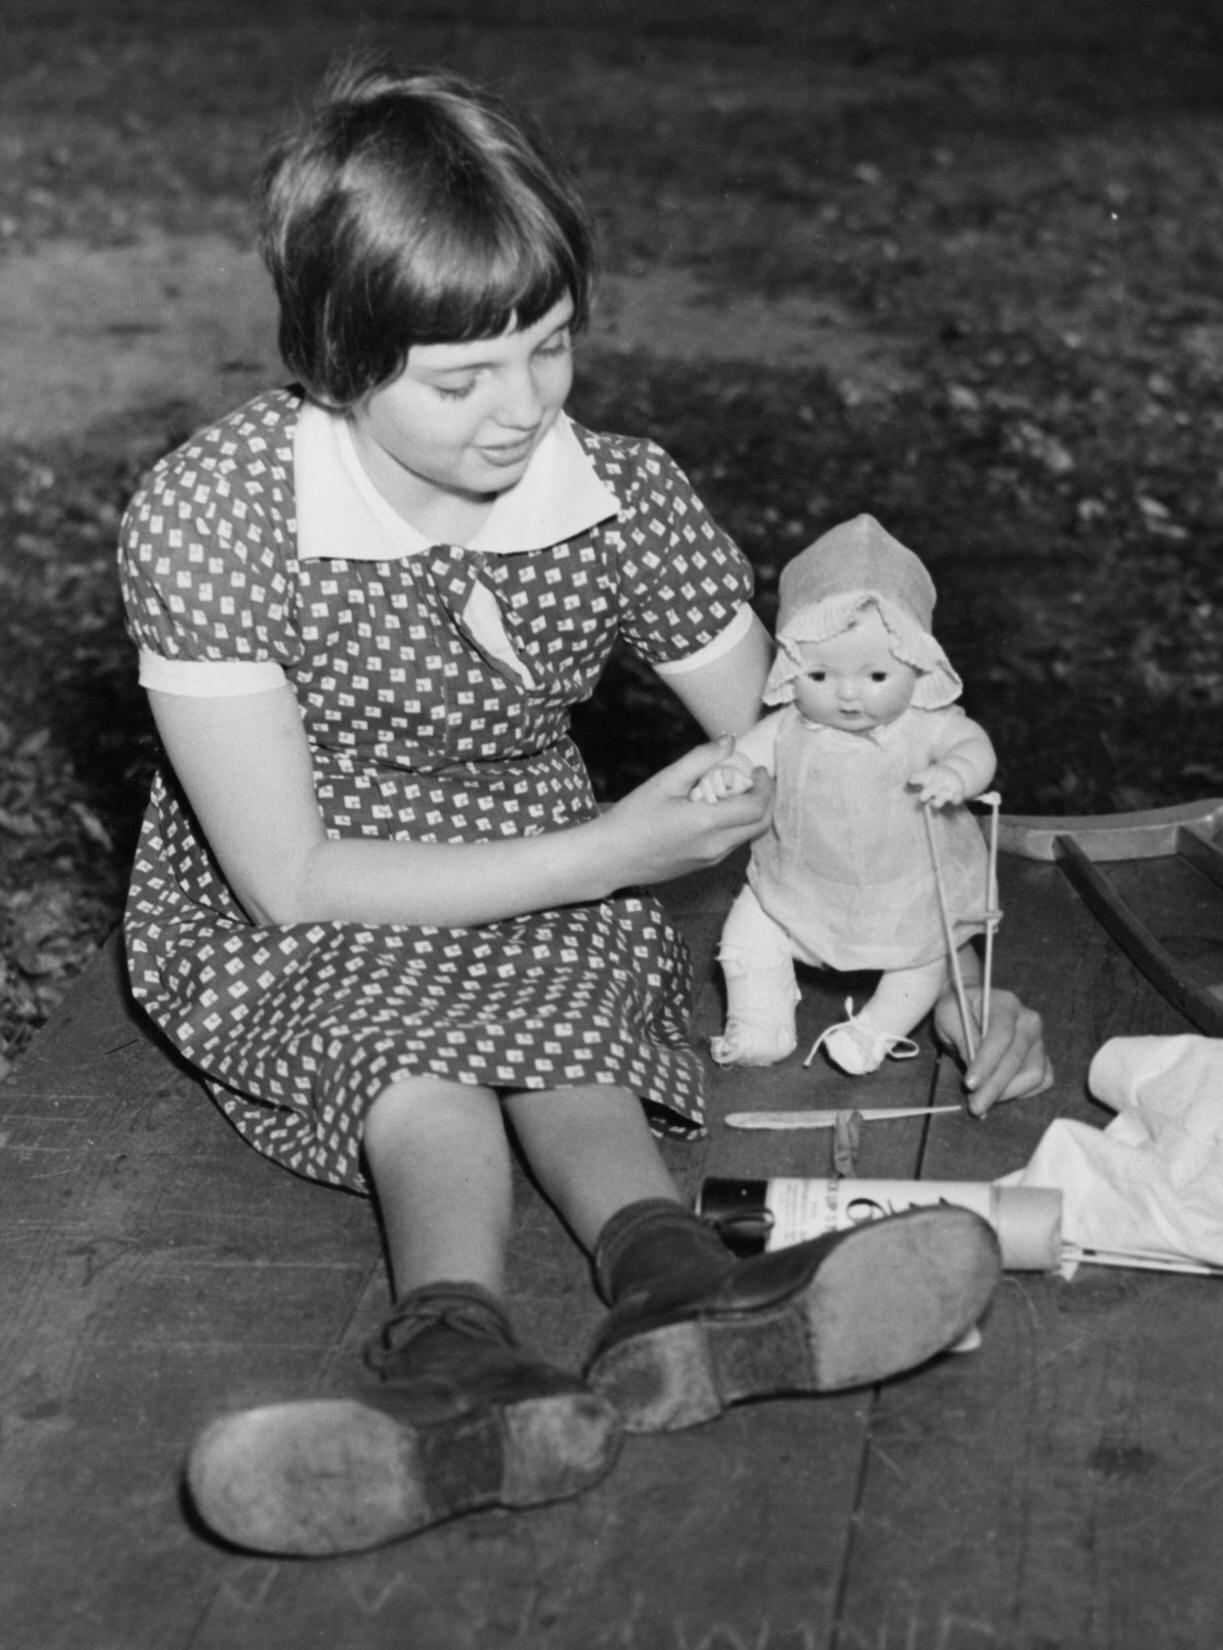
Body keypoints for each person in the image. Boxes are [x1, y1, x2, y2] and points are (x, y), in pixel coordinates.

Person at [116, 57, 1052, 1558]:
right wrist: (614, 850)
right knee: (411, 1052)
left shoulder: (618, 497)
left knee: (568, 1022)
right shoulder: (218, 517)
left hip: (531, 842)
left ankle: (685, 1285)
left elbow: (807, 744)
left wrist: (939, 970)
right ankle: (456, 1359)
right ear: (337, 358)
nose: (522, 410)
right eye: (461, 376)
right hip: (297, 883)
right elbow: (288, 876)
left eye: (550, 347)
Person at [692, 516, 998, 1076]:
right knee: (751, 930)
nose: (849, 694)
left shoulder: (927, 724)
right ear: (790, 667)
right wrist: (730, 774)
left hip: (906, 885)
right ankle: (760, 1021)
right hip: (801, 880)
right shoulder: (787, 727)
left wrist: (958, 772)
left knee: (926, 958)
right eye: (820, 676)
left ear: (917, 663)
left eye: (877, 676)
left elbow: (974, 746)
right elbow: (747, 756)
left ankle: (874, 1031)